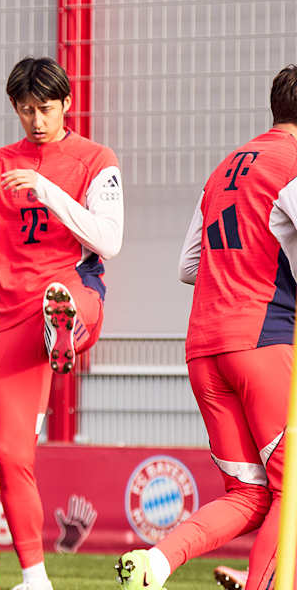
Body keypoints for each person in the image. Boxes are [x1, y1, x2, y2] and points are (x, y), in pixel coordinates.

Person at [0, 56, 124, 590]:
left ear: (67, 103)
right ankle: (35, 578)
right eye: (25, 110)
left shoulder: (96, 159)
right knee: (10, 453)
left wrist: (48, 191)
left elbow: (109, 241)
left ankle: (62, 323)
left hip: (77, 290)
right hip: (14, 318)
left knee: (63, 296)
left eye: (45, 108)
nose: (36, 120)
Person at [117, 65, 297, 590]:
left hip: (204, 346)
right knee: (292, 490)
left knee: (249, 495)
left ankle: (156, 563)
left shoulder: (225, 167)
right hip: (263, 339)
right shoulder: (292, 164)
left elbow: (189, 266)